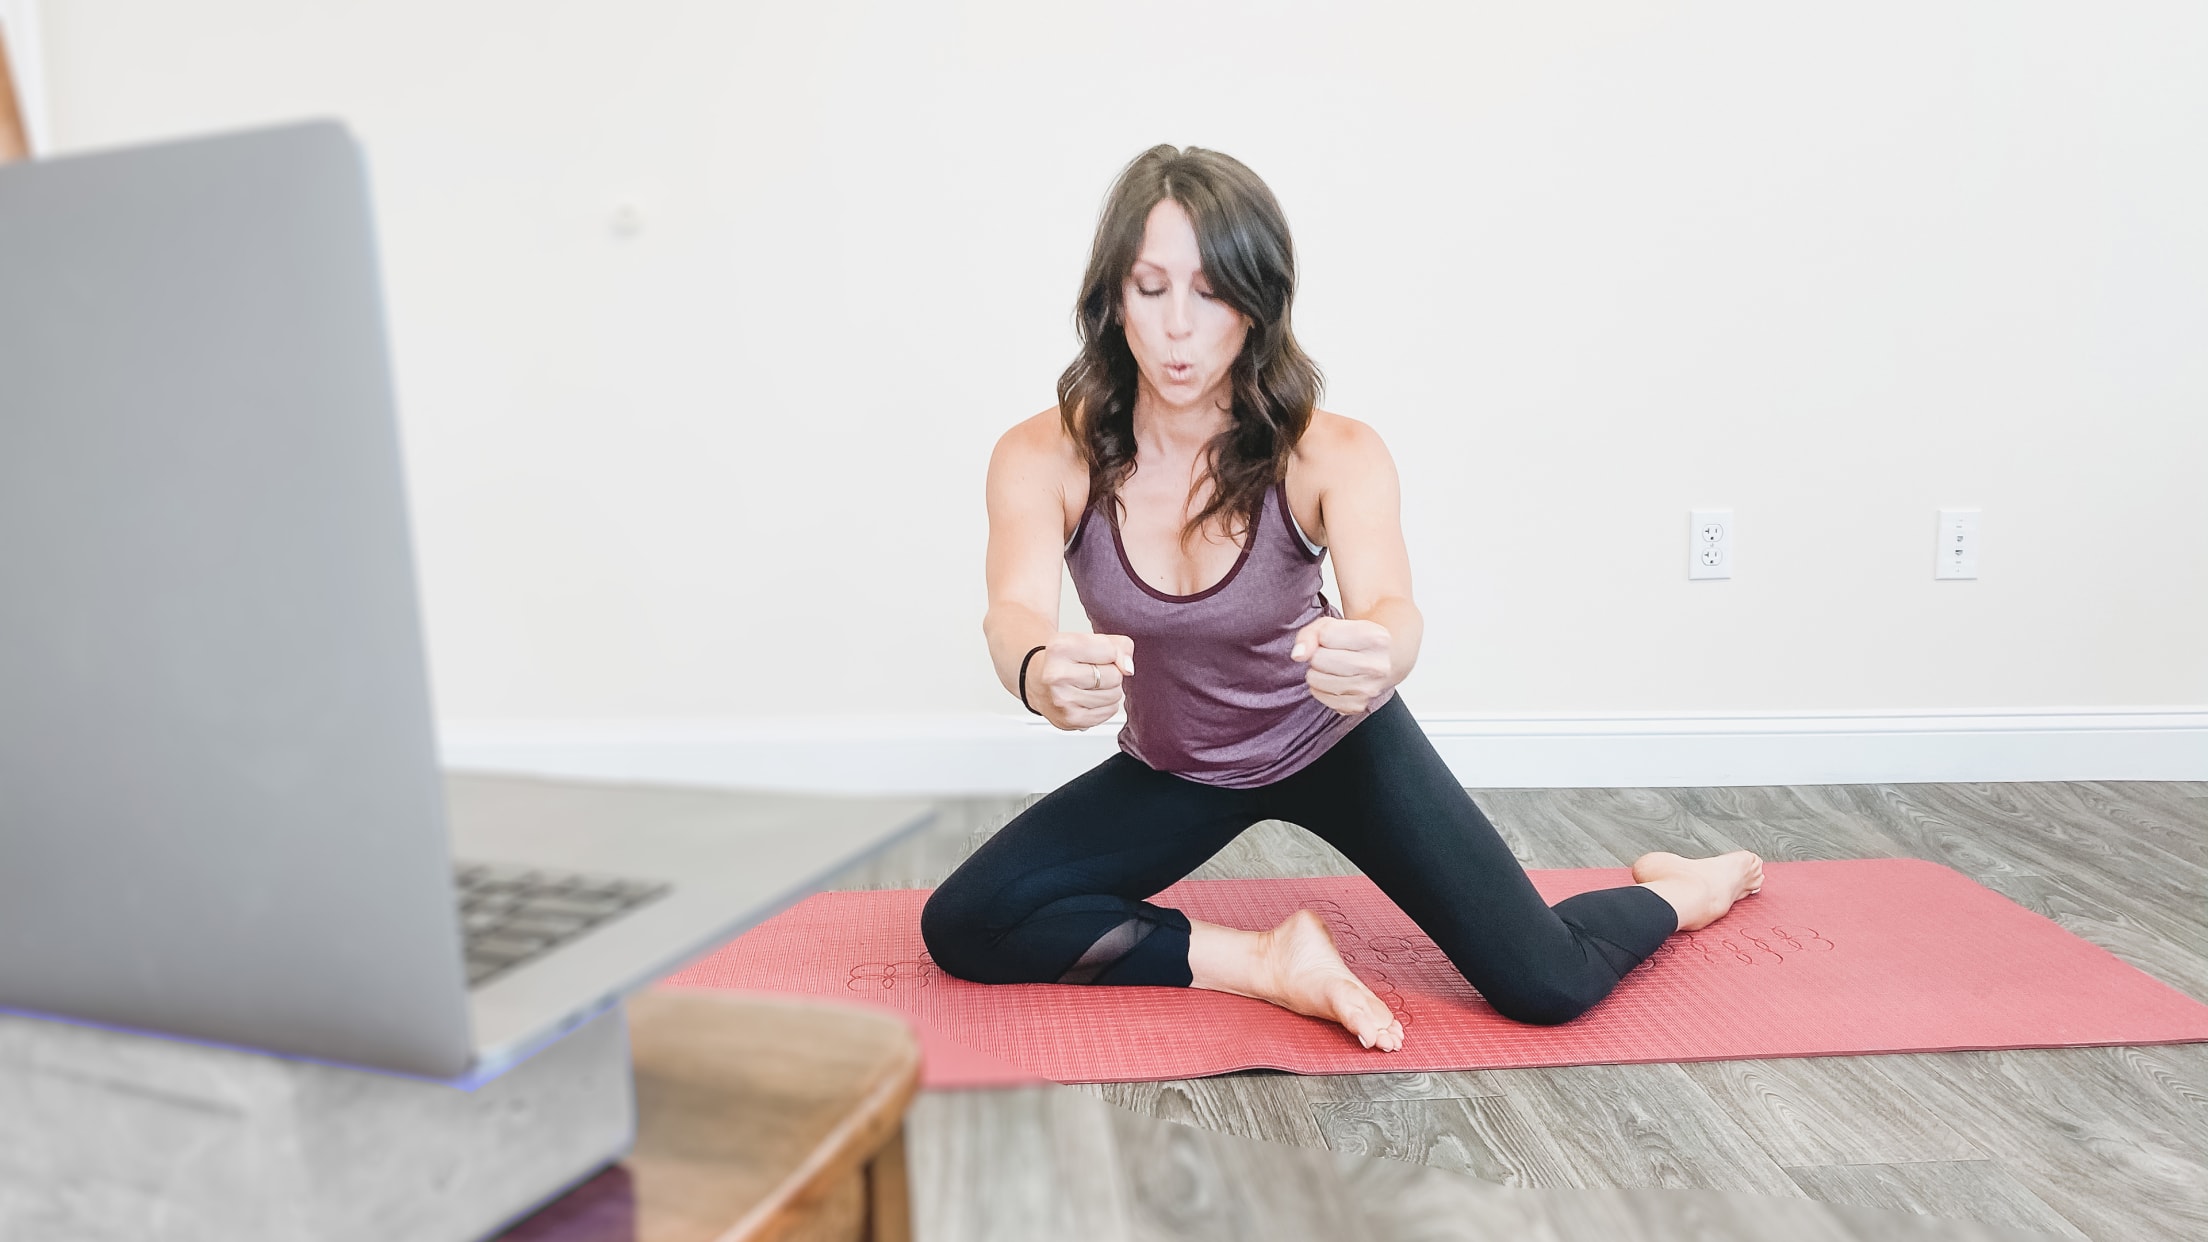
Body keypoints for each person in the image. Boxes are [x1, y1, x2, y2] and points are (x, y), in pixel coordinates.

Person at [919, 145, 1763, 1051]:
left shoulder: (1333, 452)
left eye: (1209, 292)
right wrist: (1038, 669)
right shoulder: (1043, 455)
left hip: (1336, 743)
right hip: (1180, 764)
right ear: (1110, 297)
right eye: (1150, 287)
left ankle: (1680, 889)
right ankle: (1269, 963)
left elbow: (1392, 610)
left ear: (1257, 301)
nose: (1176, 329)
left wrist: (1379, 655)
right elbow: (1010, 612)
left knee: (1547, 983)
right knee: (964, 924)